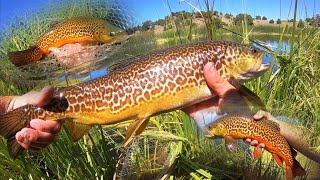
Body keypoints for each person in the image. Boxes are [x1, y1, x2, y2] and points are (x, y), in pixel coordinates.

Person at [0, 62, 264, 151]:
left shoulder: (225, 81)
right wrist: (17, 106)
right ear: (222, 62)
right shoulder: (217, 66)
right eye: (251, 53)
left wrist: (12, 103)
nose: (257, 58)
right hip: (90, 108)